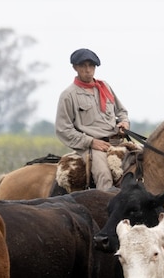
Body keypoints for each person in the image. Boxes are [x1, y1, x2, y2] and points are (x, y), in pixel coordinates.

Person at [55, 48, 130, 191]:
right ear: (75, 67)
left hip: (116, 141)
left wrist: (124, 122)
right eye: (83, 66)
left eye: (91, 66)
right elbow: (63, 129)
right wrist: (91, 142)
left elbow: (121, 111)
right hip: (92, 147)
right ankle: (106, 209)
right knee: (104, 176)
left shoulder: (105, 87)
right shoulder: (68, 95)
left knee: (145, 163)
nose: (88, 70)